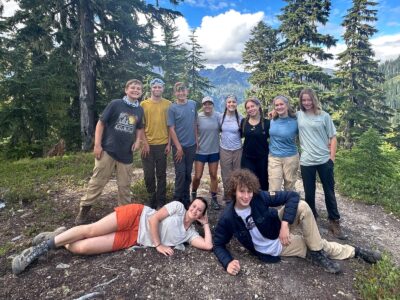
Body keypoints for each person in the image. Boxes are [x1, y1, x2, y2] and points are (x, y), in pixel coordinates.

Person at [213, 169, 382, 276]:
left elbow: (292, 196)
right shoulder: (228, 217)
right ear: (233, 192)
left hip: (278, 230)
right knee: (321, 245)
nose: (246, 196)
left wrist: (285, 224)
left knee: (302, 205)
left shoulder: (259, 197)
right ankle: (355, 251)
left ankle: (318, 253)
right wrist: (228, 262)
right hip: (277, 248)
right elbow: (218, 244)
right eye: (242, 192)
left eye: (249, 191)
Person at [12, 198, 212, 275]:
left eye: (199, 210)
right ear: (189, 205)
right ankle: (38, 250)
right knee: (91, 229)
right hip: (137, 215)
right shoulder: (177, 208)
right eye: (194, 206)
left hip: (135, 238)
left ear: (201, 215)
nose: (194, 210)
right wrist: (158, 244)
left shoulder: (189, 233)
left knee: (80, 248)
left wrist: (206, 224)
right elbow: (154, 220)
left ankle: (60, 237)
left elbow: (207, 245)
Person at [75, 79, 145, 225]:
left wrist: (138, 141)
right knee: (97, 181)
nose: (135, 90)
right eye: (132, 88)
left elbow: (139, 127)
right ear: (126, 90)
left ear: (141, 92)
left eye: (138, 89)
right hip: (108, 149)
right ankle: (84, 210)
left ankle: (124, 215)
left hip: (126, 153)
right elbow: (100, 123)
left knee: (125, 185)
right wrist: (97, 144)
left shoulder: (139, 109)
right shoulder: (115, 104)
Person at [297, 88, 345, 239]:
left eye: (309, 100)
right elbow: (283, 115)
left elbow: (333, 137)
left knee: (329, 192)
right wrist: (273, 114)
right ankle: (312, 221)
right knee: (309, 194)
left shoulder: (324, 116)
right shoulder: (298, 115)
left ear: (314, 100)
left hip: (324, 160)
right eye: (304, 100)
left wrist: (332, 158)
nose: (306, 103)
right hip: (307, 161)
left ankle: (334, 221)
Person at [140, 78, 171, 209]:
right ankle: (151, 199)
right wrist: (144, 143)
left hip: (163, 144)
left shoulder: (169, 104)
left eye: (159, 87)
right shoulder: (143, 104)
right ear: (151, 88)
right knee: (148, 175)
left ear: (163, 88)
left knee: (161, 174)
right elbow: (140, 126)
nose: (157, 89)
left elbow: (171, 126)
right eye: (155, 87)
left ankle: (161, 201)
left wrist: (169, 144)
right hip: (147, 145)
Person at [167, 82, 198, 207]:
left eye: (183, 90)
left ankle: (186, 199)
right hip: (178, 146)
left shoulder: (193, 104)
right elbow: (171, 128)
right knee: (180, 173)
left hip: (191, 145)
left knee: (188, 173)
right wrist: (178, 147)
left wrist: (197, 141)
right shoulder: (172, 108)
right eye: (178, 91)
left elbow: (194, 122)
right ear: (175, 93)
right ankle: (176, 199)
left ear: (187, 91)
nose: (181, 93)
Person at [191, 96, 221, 210]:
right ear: (202, 106)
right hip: (201, 151)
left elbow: (231, 118)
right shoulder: (198, 116)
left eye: (210, 104)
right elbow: (193, 130)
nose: (207, 106)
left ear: (213, 105)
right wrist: (195, 142)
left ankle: (214, 199)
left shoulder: (218, 116)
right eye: (205, 104)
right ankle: (193, 193)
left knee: (213, 175)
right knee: (198, 176)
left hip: (214, 150)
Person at [268, 95, 299, 192]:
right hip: (274, 157)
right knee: (274, 188)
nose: (279, 107)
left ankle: (288, 206)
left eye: (281, 104)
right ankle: (275, 207)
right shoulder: (271, 120)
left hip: (291, 157)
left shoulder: (296, 120)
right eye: (276, 105)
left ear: (287, 105)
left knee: (289, 186)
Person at [240, 98, 270, 191]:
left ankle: (263, 202)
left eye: (252, 106)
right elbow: (240, 135)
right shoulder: (243, 122)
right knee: (247, 181)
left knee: (263, 182)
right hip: (247, 158)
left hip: (262, 158)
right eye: (248, 107)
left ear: (258, 106)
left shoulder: (267, 123)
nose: (250, 109)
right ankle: (248, 202)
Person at [219, 95, 243, 202]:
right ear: (226, 104)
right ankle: (228, 196)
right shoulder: (220, 117)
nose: (231, 104)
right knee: (226, 174)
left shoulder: (241, 118)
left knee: (237, 173)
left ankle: (236, 194)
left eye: (233, 102)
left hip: (238, 149)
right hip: (224, 149)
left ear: (236, 103)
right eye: (229, 102)